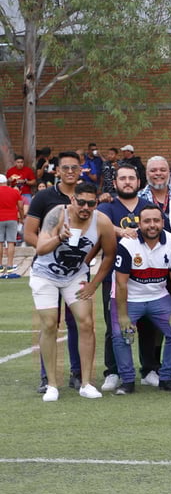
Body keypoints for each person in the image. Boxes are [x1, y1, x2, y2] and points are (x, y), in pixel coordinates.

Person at [32, 182, 117, 401]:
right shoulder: (57, 214)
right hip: (45, 274)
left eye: (91, 203)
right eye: (81, 202)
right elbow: (40, 249)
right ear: (73, 200)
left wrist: (94, 283)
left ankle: (86, 383)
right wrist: (59, 237)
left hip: (75, 276)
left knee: (86, 323)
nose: (85, 207)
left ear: (96, 203)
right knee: (50, 324)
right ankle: (51, 385)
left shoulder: (102, 221)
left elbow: (109, 254)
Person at [24, 151, 89, 393]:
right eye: (66, 168)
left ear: (80, 170)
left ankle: (78, 373)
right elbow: (30, 232)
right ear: (57, 171)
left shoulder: (87, 196)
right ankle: (46, 377)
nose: (70, 171)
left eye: (75, 167)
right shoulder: (44, 197)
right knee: (50, 323)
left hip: (77, 270)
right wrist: (48, 247)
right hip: (48, 269)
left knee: (80, 322)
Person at [97, 163, 161, 393]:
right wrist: (120, 230)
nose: (127, 182)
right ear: (115, 183)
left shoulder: (147, 206)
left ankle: (149, 369)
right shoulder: (107, 206)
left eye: (131, 178)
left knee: (148, 324)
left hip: (145, 276)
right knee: (113, 325)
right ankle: (113, 371)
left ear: (138, 182)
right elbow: (100, 224)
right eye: (122, 178)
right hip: (115, 276)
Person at [111, 204, 171, 394]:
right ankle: (127, 381)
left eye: (156, 221)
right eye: (147, 221)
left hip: (158, 296)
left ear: (163, 222)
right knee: (120, 335)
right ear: (139, 223)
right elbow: (121, 284)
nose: (151, 225)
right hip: (129, 297)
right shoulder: (128, 243)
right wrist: (123, 315)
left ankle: (166, 378)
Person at [0, 174, 23, 278]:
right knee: (11, 242)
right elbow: (20, 206)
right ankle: (9, 266)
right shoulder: (14, 191)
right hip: (12, 218)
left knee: (0, 242)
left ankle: (0, 266)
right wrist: (21, 217)